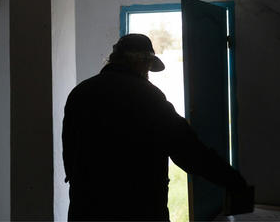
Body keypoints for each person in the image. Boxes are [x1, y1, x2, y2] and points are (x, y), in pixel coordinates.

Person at [62, 33, 255, 221]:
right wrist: (233, 181)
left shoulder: (80, 93)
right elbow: (189, 151)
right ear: (142, 63)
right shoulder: (150, 97)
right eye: (148, 67)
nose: (147, 73)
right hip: (139, 208)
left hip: (86, 207)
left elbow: (69, 152)